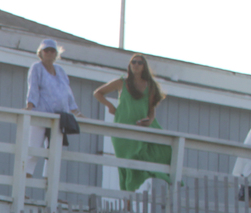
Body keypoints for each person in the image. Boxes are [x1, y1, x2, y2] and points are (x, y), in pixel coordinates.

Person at [93, 54, 171, 193]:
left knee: (161, 151)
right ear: (129, 65)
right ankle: (127, 200)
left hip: (141, 128)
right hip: (122, 130)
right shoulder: (122, 82)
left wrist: (150, 120)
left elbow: (152, 109)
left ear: (144, 66)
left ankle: (167, 180)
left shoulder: (150, 85)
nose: (136, 64)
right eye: (133, 62)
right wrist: (110, 106)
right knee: (125, 166)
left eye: (139, 63)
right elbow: (98, 93)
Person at [24, 39, 78, 179]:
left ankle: (50, 191)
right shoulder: (37, 67)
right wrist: (29, 106)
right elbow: (33, 88)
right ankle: (22, 189)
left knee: (54, 153)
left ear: (56, 54)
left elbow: (67, 93)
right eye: (46, 50)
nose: (49, 53)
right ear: (40, 53)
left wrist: (75, 111)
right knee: (33, 151)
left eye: (52, 50)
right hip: (41, 115)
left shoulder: (60, 71)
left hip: (59, 118)